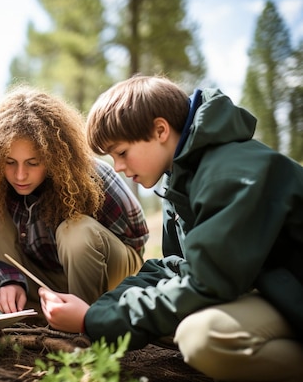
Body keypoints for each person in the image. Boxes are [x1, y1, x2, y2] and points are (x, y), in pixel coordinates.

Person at [39, 75, 303, 382]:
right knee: (172, 325)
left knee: (202, 338)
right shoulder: (178, 182)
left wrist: (91, 320)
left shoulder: (229, 173)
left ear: (160, 130)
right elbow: (178, 267)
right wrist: (101, 309)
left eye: (122, 152)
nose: (119, 167)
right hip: (277, 292)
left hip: (291, 292)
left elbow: (206, 283)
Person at [0, 85, 149, 314]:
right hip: (44, 276)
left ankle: (87, 320)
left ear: (55, 156)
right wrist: (11, 280)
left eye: (33, 163)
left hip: (106, 273)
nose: (20, 175)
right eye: (9, 162)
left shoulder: (91, 176)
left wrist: (94, 253)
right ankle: (44, 314)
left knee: (76, 231)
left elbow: (137, 240)